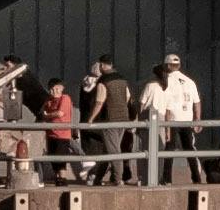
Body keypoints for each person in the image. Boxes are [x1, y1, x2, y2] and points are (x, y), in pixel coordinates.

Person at [142, 51, 202, 182]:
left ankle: (167, 178)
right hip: (187, 119)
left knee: (169, 148)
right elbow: (197, 102)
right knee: (189, 149)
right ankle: (196, 177)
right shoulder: (190, 81)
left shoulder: (165, 81)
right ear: (179, 66)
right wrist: (197, 119)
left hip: (172, 119)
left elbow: (167, 105)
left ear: (167, 66)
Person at [86, 56, 136, 181]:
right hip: (123, 119)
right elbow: (128, 98)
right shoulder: (122, 79)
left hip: (110, 119)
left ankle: (118, 179)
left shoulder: (104, 80)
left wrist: (91, 119)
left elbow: (99, 102)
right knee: (107, 149)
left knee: (114, 151)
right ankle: (98, 178)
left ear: (102, 66)